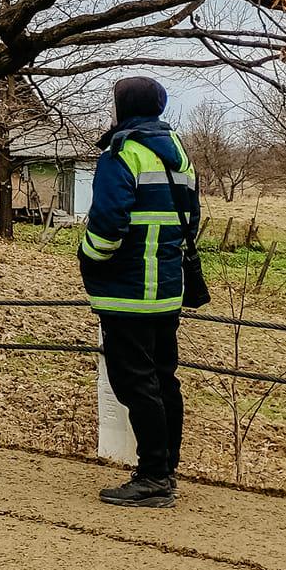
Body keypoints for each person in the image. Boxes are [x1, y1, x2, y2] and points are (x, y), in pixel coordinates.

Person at [79, 75, 198, 509]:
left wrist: (90, 259)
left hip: (126, 288)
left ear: (123, 107)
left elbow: (108, 223)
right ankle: (166, 467)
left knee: (134, 383)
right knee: (164, 378)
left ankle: (152, 478)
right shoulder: (179, 155)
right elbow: (191, 220)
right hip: (166, 288)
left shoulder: (122, 153)